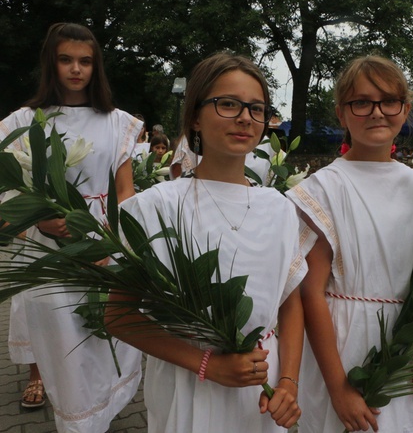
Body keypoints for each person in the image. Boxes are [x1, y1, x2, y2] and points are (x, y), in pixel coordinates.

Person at [105, 52, 311, 433]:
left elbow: (291, 302)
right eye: (228, 104)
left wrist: (288, 382)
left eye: (256, 108)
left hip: (259, 388)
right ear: (195, 116)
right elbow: (119, 316)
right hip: (189, 385)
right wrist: (208, 364)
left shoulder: (279, 208)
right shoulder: (154, 207)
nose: (245, 117)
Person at [286, 55, 413, 433]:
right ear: (341, 114)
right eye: (361, 102)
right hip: (345, 343)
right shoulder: (323, 189)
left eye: (388, 101)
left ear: (405, 109)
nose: (377, 112)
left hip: (407, 334)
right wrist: (338, 388)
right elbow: (310, 294)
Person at [0, 23, 143, 431]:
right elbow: (6, 185)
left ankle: (100, 411)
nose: (76, 69)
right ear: (51, 63)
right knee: (62, 341)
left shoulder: (117, 122)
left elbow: (124, 190)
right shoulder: (24, 122)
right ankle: (75, 417)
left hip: (102, 241)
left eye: (85, 61)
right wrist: (37, 216)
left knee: (102, 334)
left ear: (96, 67)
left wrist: (117, 245)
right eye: (66, 60)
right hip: (47, 251)